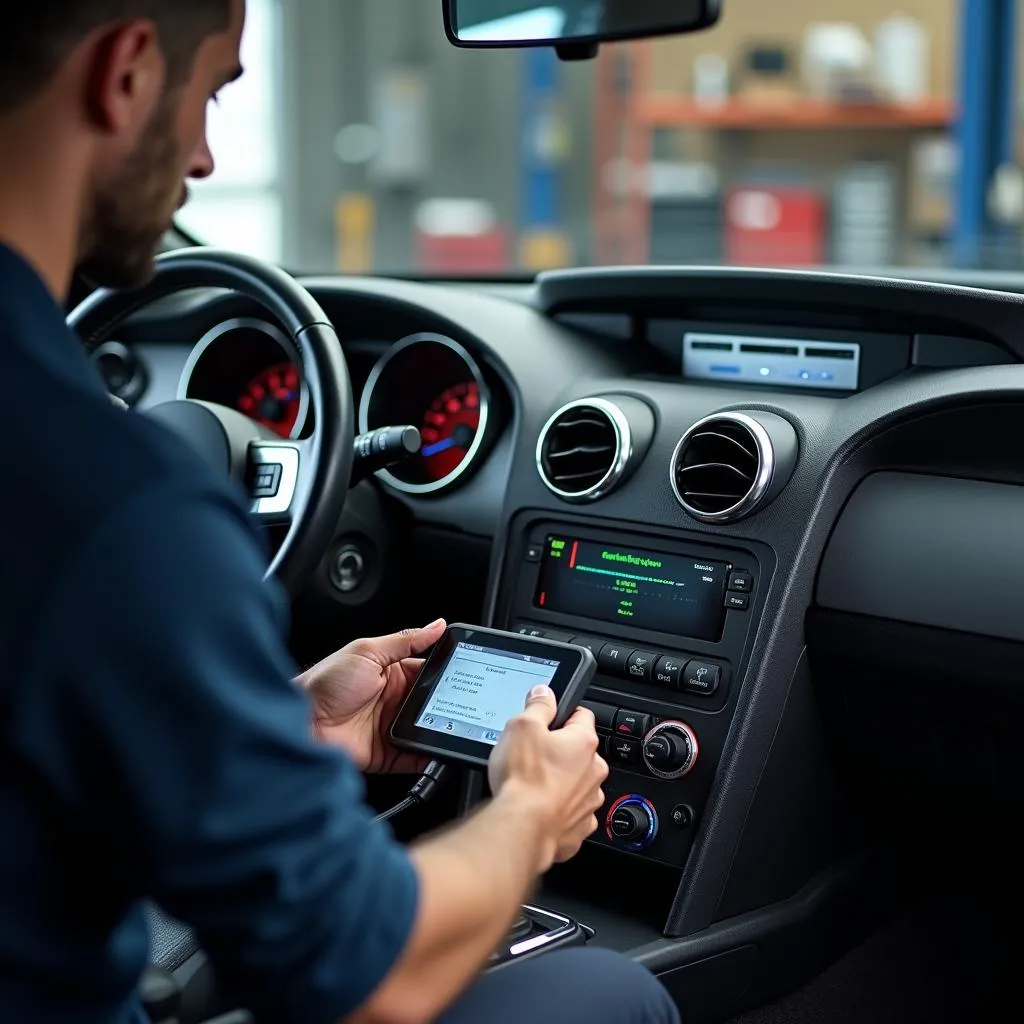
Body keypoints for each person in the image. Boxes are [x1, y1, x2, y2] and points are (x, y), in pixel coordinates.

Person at [0, 3, 681, 1023]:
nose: (206, 156)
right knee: (608, 988)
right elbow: (367, 975)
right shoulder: (116, 497)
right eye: (215, 93)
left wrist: (272, 723)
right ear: (128, 72)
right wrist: (534, 812)